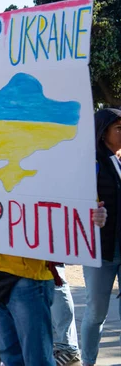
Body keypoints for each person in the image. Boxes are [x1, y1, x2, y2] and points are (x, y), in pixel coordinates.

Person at [80, 108, 121, 366]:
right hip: (100, 250)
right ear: (103, 132)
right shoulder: (89, 162)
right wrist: (90, 214)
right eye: (119, 128)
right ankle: (88, 361)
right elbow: (75, 202)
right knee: (96, 312)